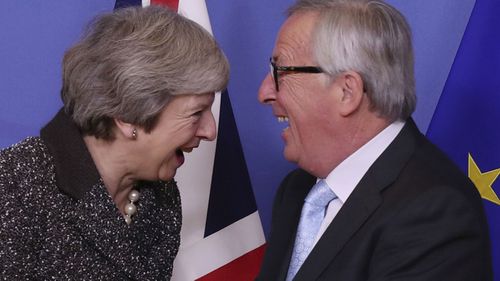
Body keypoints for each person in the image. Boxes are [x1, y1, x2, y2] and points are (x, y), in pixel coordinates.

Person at [256, 0, 493, 280]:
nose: (264, 92)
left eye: (280, 72)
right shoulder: (296, 191)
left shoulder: (435, 212)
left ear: (347, 91)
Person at [0, 5, 228, 280]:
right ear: (129, 116)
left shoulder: (162, 202)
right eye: (196, 113)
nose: (210, 131)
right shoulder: (14, 188)